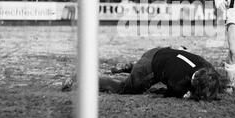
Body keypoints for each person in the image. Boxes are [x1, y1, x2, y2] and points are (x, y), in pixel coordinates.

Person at [62, 47, 220, 102]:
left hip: (159, 52)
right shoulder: (179, 82)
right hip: (150, 65)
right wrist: (189, 95)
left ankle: (131, 67)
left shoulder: (207, 67)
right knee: (124, 88)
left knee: (151, 75)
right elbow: (169, 92)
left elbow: (214, 81)